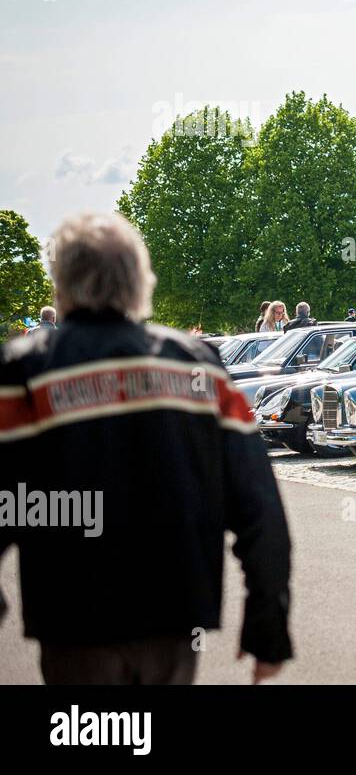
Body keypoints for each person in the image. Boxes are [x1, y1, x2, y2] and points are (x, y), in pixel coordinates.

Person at [0, 212, 292, 684]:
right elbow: (260, 508)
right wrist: (268, 627)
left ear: (62, 284)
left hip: (73, 620)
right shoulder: (200, 366)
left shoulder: (25, 370)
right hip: (174, 618)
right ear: (140, 280)